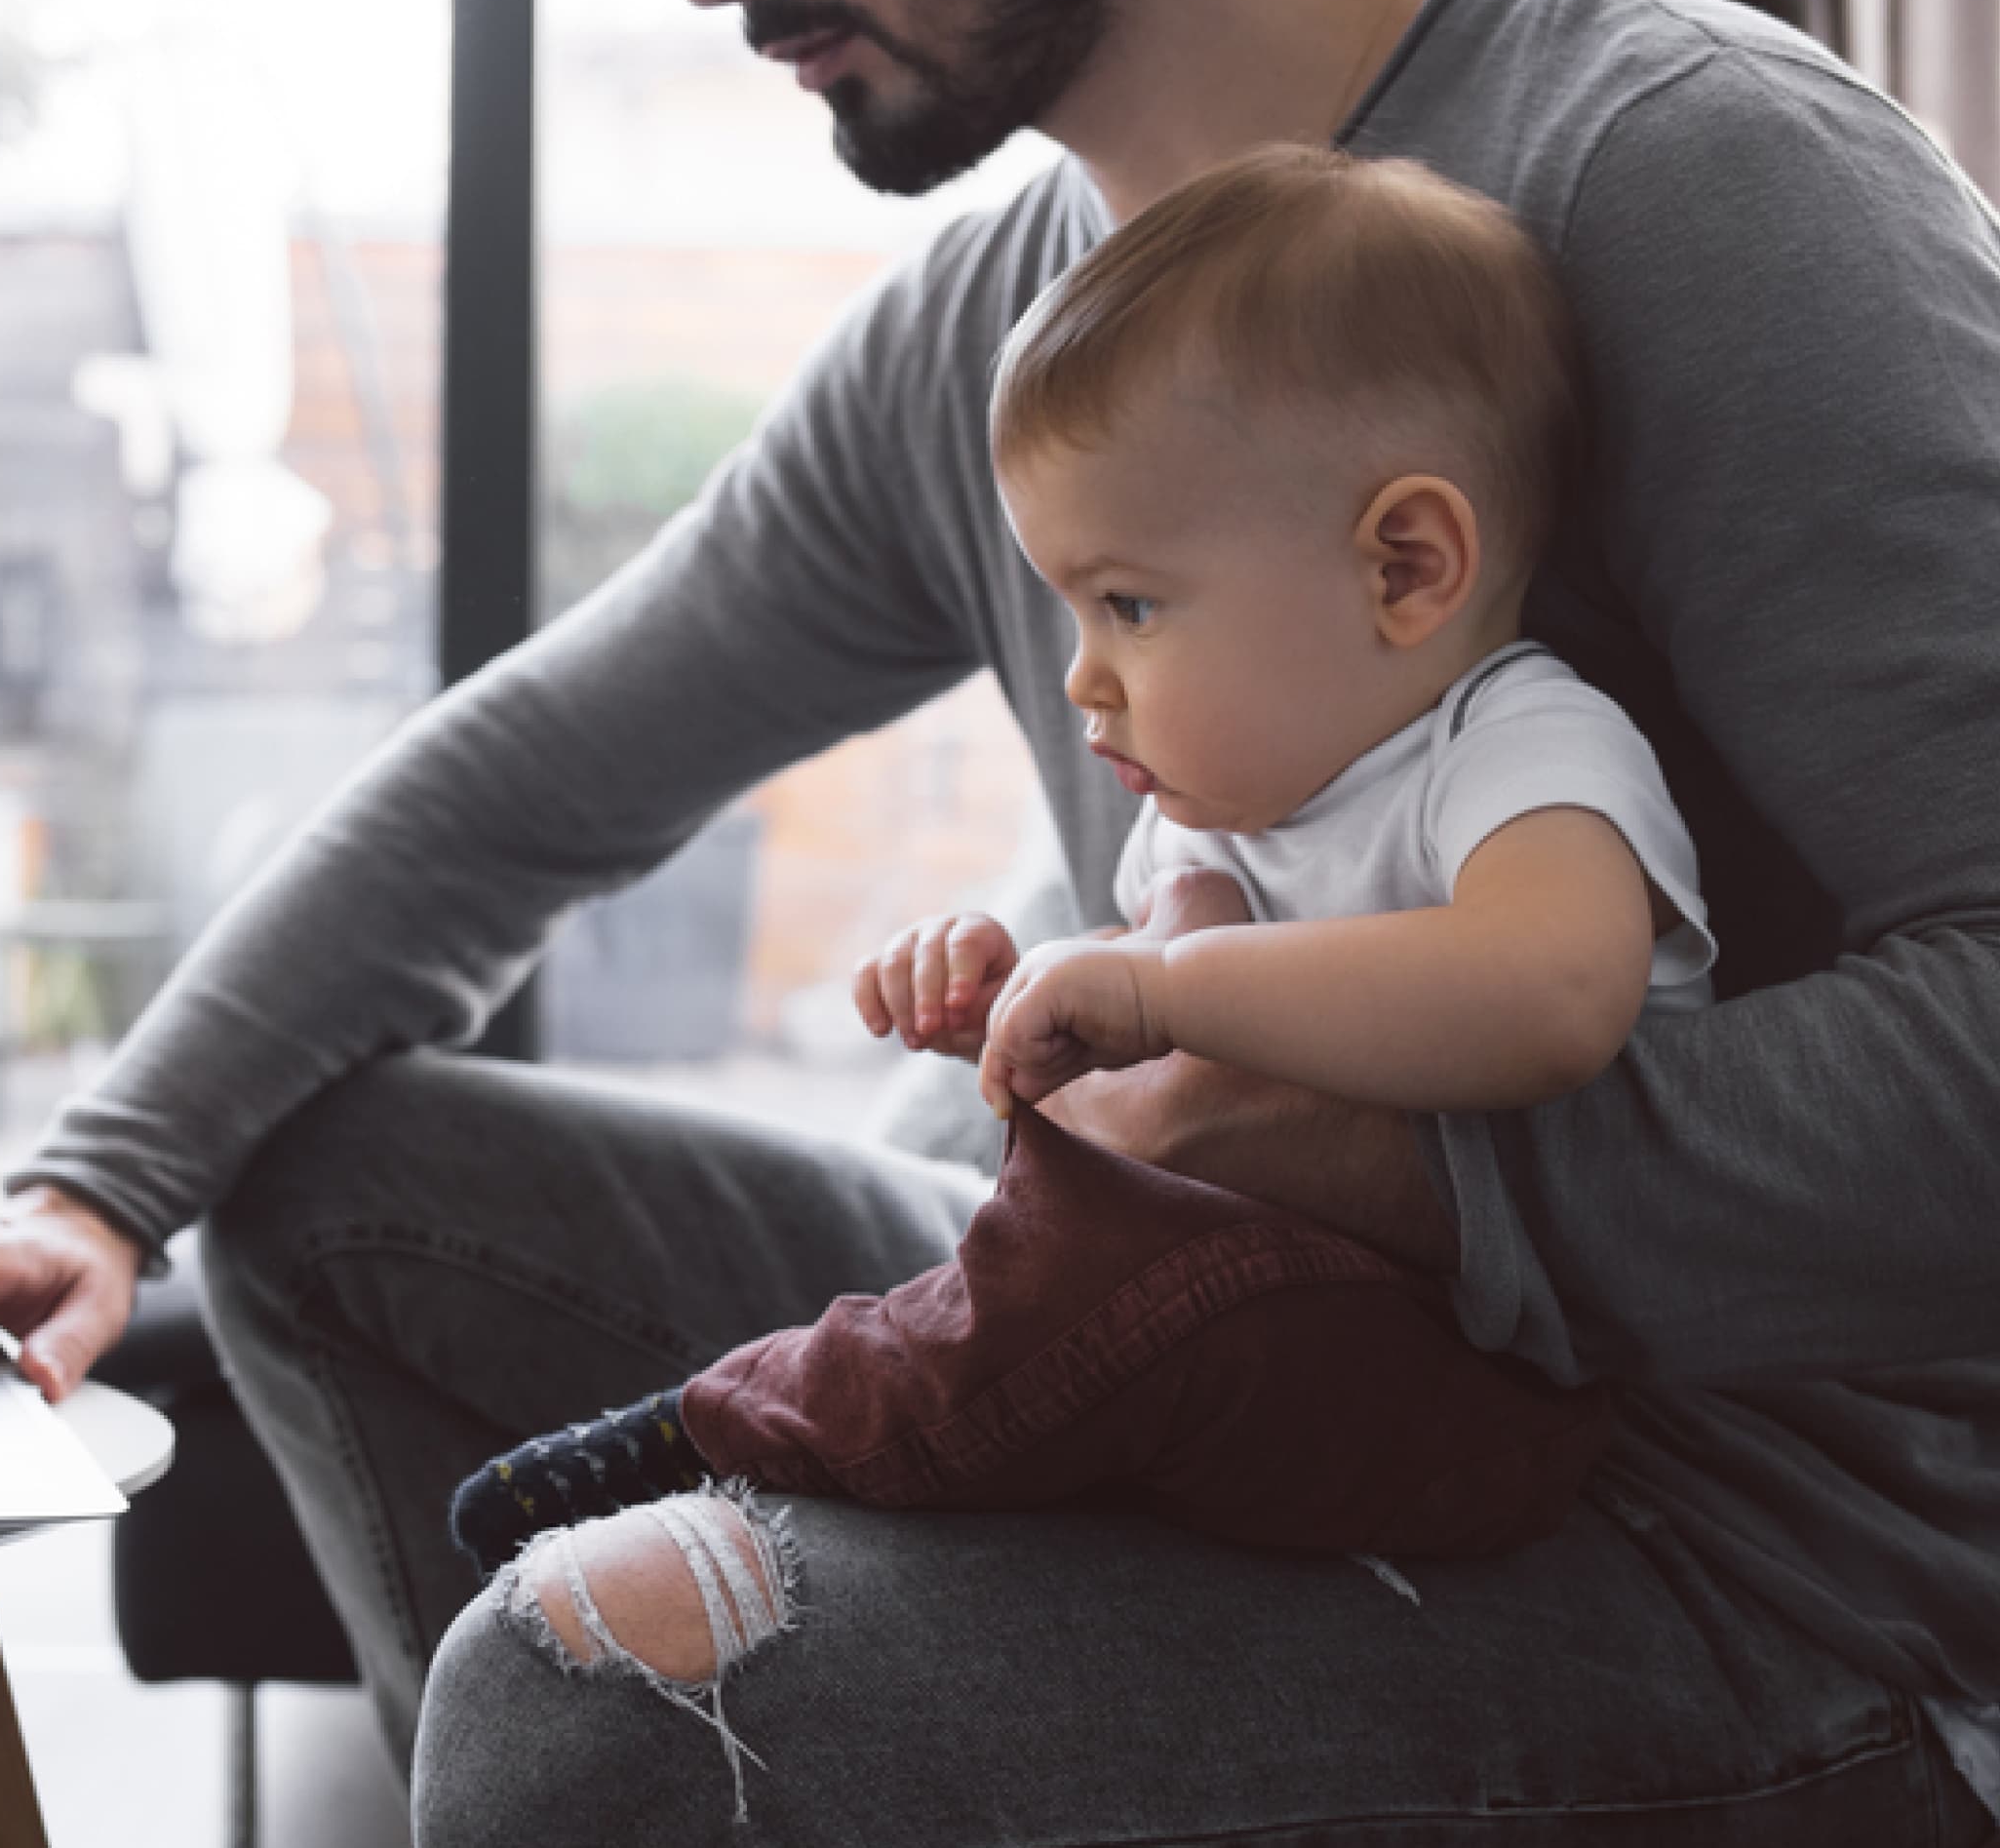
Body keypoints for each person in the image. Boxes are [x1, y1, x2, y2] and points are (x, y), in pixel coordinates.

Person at [0, 0, 2000, 1848]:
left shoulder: (1697, 184)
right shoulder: (1025, 324)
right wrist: (97, 1185)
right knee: (338, 1184)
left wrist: (1371, 1160)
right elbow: (532, 774)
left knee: (587, 1740)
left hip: (1769, 1558)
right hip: (1225, 1308)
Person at [445, 145, 1701, 1588]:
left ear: (1405, 566)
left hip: (1504, 1402)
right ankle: (815, 1444)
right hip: (1292, 1340)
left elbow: (1553, 991)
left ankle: (744, 1435)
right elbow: (1170, 1022)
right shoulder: (1236, 802)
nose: (1082, 681)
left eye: (1132, 604)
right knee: (1078, 1255)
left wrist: (1162, 1000)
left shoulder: (1518, 745)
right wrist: (1033, 998)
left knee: (1126, 1286)